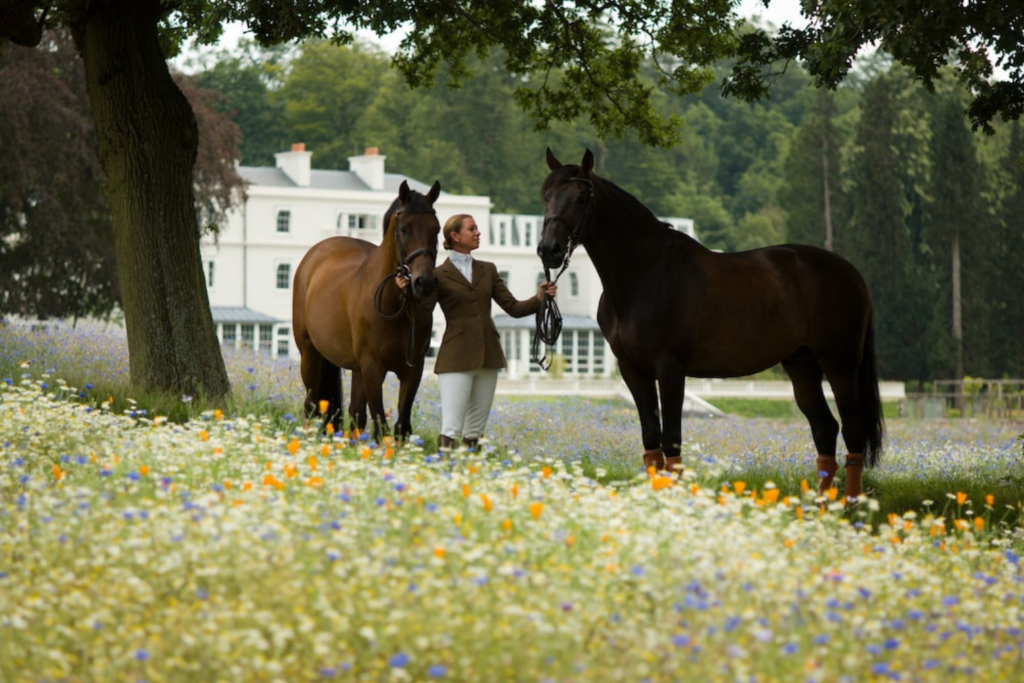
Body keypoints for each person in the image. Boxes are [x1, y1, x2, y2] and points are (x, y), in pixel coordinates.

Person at [398, 214, 556, 451]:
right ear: (455, 236)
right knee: (451, 428)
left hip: (489, 356)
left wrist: (539, 298)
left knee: (475, 431)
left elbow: (513, 308)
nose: (477, 233)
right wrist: (406, 293)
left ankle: (472, 475)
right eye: (472, 229)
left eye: (477, 229)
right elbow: (423, 312)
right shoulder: (438, 275)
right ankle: (447, 475)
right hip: (456, 357)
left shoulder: (488, 269)